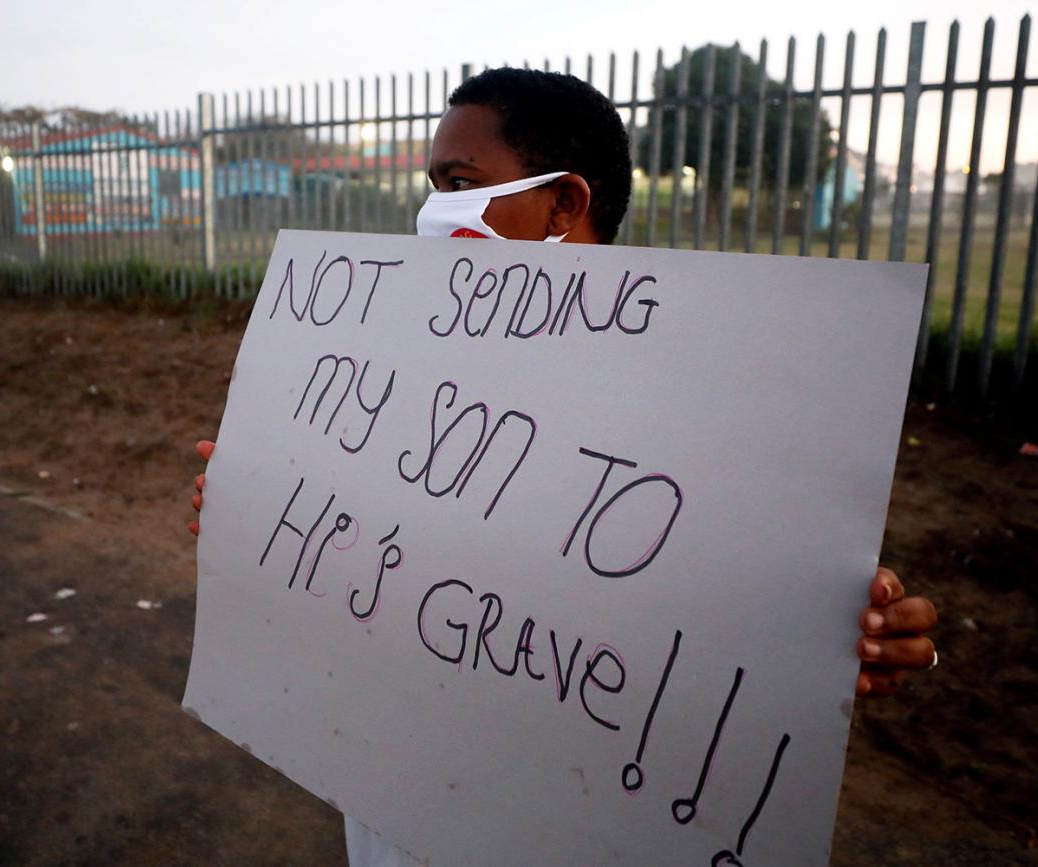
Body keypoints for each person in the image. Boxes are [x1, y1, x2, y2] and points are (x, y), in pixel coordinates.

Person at [188, 67, 938, 865]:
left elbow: (733, 571)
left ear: (565, 203)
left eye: (461, 181)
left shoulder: (713, 389)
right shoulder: (394, 354)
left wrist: (847, 633)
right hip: (395, 804)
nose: (433, 208)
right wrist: (253, 515)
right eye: (434, 183)